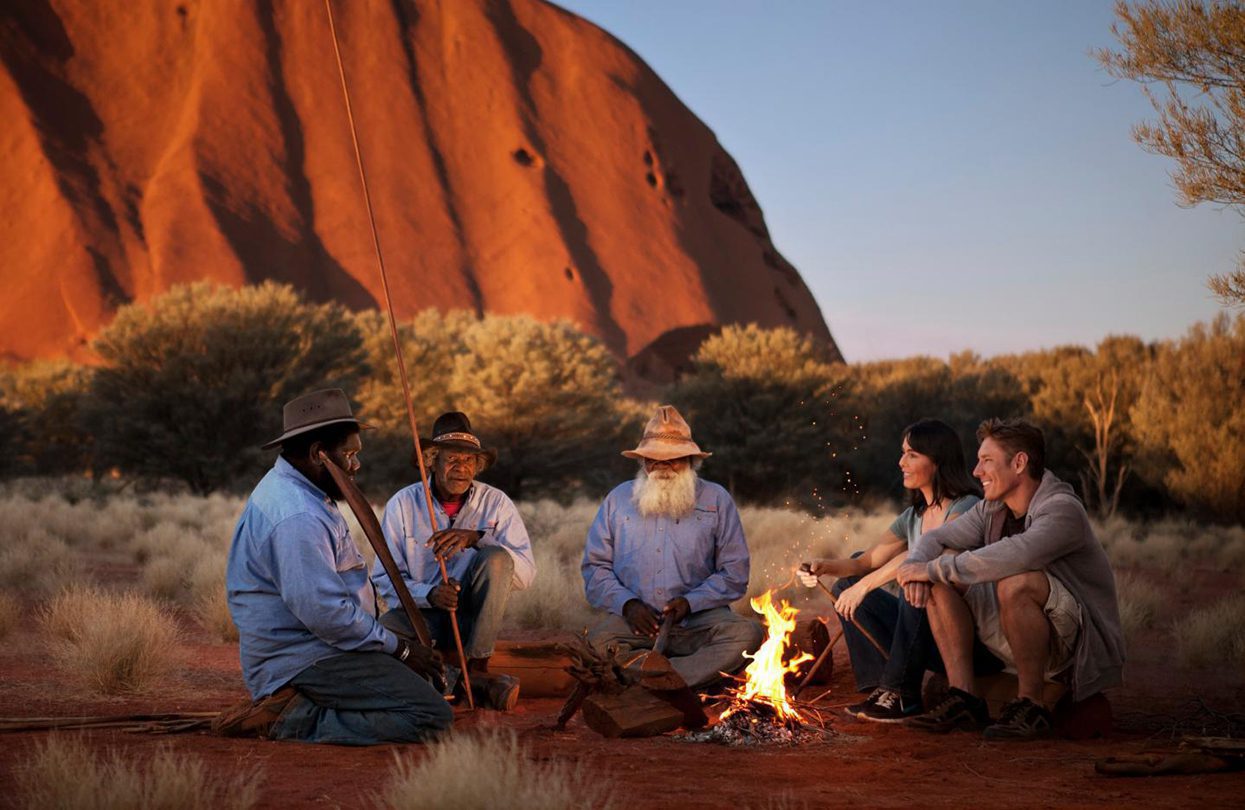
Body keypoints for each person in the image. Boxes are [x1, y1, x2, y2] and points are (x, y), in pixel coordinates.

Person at [219, 389, 452, 745]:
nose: (356, 465)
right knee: (431, 717)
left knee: (423, 679)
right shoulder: (297, 515)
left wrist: (393, 650)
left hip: (324, 645)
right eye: (350, 454)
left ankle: (315, 703)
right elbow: (326, 615)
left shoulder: (303, 490)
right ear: (317, 454)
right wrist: (400, 649)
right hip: (302, 658)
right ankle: (293, 718)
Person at [896, 418, 1125, 741]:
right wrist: (918, 570)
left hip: (1072, 648)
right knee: (941, 574)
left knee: (1015, 580)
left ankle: (1032, 704)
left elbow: (1015, 554)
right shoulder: (992, 508)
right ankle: (965, 698)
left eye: (987, 461)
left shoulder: (1062, 510)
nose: (976, 472)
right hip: (1015, 629)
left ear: (1019, 463)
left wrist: (930, 569)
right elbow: (936, 538)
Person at [799, 418, 980, 722]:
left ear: (937, 461)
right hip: (921, 634)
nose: (901, 462)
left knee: (916, 580)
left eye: (912, 454)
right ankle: (880, 686)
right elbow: (866, 561)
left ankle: (901, 693)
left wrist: (865, 587)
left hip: (959, 636)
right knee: (848, 582)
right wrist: (823, 566)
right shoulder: (913, 516)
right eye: (902, 453)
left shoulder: (966, 507)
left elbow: (925, 557)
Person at [581, 405, 763, 689]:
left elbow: (735, 573)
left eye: (674, 459)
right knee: (595, 642)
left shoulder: (717, 499)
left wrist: (691, 603)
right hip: (635, 625)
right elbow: (595, 569)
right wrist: (627, 604)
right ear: (642, 463)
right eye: (653, 459)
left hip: (699, 622)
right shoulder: (617, 500)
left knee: (747, 634)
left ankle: (656, 680)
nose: (662, 467)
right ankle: (679, 680)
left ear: (691, 460)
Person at [374, 411, 535, 711]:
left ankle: (476, 669)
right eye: (452, 459)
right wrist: (430, 595)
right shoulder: (402, 504)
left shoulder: (496, 503)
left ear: (478, 465)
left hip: (475, 622)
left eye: (469, 460)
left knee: (498, 558)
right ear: (432, 460)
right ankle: (468, 683)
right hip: (423, 618)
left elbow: (525, 575)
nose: (461, 468)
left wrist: (478, 538)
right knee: (382, 634)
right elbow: (385, 580)